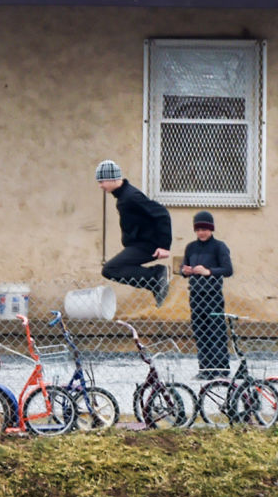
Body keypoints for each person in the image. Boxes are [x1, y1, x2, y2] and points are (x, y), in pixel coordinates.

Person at [95, 160, 172, 304]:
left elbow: (162, 214)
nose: (100, 186)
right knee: (117, 268)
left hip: (147, 245)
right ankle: (155, 282)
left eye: (102, 181)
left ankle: (156, 276)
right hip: (138, 245)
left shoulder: (131, 197)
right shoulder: (124, 196)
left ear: (112, 178)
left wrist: (164, 246)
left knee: (110, 269)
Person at [181, 211, 233, 378]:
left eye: (204, 229)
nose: (201, 232)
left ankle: (221, 369)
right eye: (198, 229)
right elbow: (183, 267)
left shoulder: (219, 246)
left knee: (216, 331)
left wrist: (208, 271)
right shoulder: (190, 247)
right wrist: (185, 271)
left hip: (213, 296)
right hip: (196, 295)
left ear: (211, 229)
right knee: (200, 332)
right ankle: (205, 369)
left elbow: (228, 270)